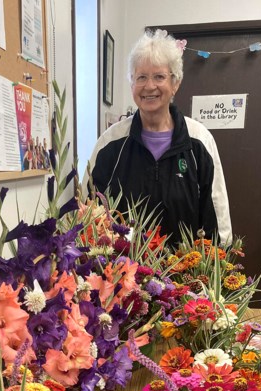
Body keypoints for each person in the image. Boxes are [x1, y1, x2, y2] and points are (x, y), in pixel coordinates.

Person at [89, 29, 231, 246]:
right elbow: (87, 212)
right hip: (122, 274)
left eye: (159, 76)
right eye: (141, 77)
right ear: (131, 84)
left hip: (184, 274)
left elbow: (217, 216)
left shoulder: (199, 141)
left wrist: (217, 269)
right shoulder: (110, 143)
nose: (149, 86)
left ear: (175, 83)